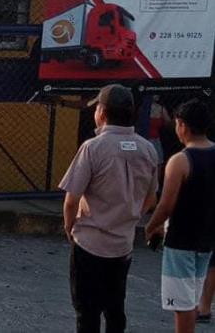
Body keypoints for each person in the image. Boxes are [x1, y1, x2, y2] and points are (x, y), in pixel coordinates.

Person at [60, 84, 158, 333]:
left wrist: (70, 228)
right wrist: (130, 215)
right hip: (122, 243)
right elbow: (151, 198)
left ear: (102, 112)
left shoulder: (93, 148)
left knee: (86, 311)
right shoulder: (147, 149)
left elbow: (71, 200)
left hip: (90, 242)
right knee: (115, 308)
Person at [146, 99, 215, 333]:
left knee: (182, 303)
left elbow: (166, 205)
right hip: (207, 238)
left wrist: (151, 226)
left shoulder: (180, 161)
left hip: (181, 239)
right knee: (193, 293)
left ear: (182, 125)